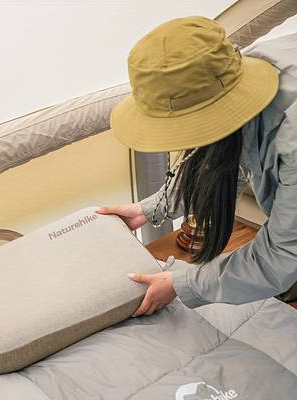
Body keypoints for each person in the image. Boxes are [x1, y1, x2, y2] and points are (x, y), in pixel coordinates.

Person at [96, 16, 297, 317]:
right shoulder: (228, 73)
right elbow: (224, 153)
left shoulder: (292, 138)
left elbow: (281, 255)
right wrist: (149, 209)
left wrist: (183, 284)